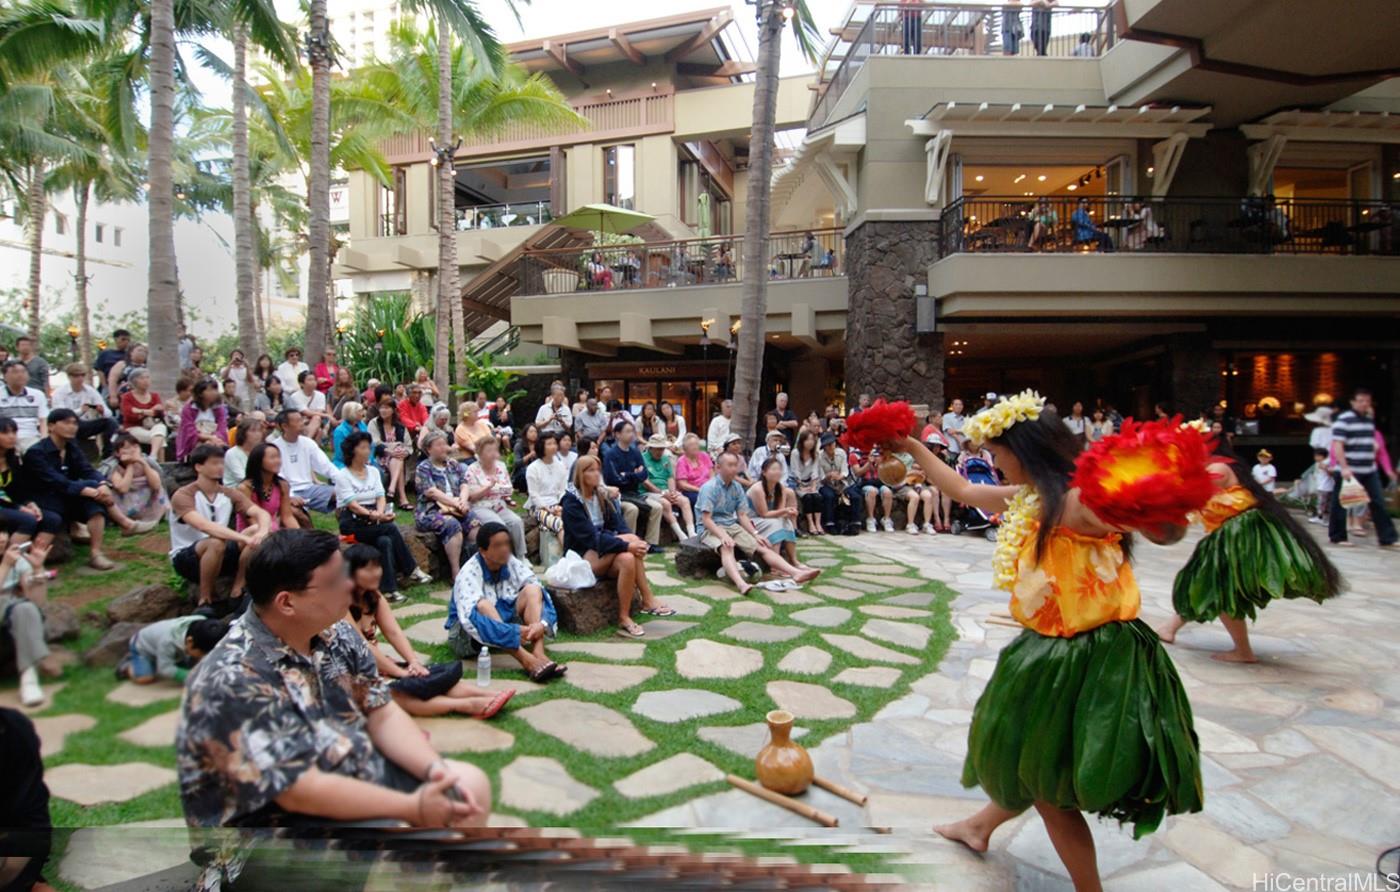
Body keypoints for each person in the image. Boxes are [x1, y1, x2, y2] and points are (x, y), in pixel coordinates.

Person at [897, 393, 1200, 888]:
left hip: (1093, 656)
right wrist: (911, 446)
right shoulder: (1031, 496)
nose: (995, 464)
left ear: (1025, 450)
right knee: (1032, 756)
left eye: (998, 454)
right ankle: (979, 827)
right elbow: (961, 488)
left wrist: (1160, 495)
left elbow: (1165, 533)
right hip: (1052, 648)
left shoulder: (1079, 501)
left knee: (1047, 787)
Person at [177, 528, 493, 832]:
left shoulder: (337, 631)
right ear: (287, 602)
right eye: (334, 580)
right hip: (266, 823)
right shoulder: (232, 677)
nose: (349, 585)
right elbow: (298, 790)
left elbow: (381, 712)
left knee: (467, 785)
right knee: (392, 836)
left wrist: (434, 771)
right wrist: (413, 806)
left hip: (349, 769)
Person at [1157, 440, 1344, 663]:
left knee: (1221, 588)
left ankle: (1243, 651)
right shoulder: (1222, 466)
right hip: (1232, 531)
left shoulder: (1217, 469)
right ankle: (1169, 628)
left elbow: (1194, 497)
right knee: (1201, 581)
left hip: (1239, 534)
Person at [345, 545, 512, 718]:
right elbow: (363, 646)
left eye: (377, 567)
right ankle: (469, 705)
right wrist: (398, 672)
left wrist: (413, 662)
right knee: (396, 694)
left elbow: (393, 632)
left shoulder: (374, 597)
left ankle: (488, 695)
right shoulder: (340, 604)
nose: (376, 573)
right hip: (350, 673)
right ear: (350, 572)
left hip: (375, 666)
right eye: (368, 569)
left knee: (429, 677)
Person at [560, 457, 674, 638]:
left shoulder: (601, 496)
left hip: (605, 551)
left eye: (598, 470)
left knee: (628, 558)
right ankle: (647, 598)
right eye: (590, 470)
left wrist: (632, 543)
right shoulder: (571, 502)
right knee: (630, 544)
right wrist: (627, 544)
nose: (596, 474)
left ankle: (624, 616)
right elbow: (591, 539)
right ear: (580, 474)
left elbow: (619, 525)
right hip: (582, 558)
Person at [447, 522, 563, 680]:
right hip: (468, 635)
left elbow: (537, 587)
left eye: (507, 543)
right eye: (497, 545)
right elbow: (471, 619)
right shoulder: (468, 573)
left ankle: (539, 652)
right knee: (483, 605)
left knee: (533, 590)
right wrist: (511, 631)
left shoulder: (511, 561)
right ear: (483, 551)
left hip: (503, 620)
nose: (505, 549)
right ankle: (526, 660)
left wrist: (540, 625)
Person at [27, 409, 136, 569]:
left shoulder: (71, 447)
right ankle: (125, 523)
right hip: (44, 500)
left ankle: (96, 553)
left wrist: (102, 484)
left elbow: (87, 469)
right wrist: (87, 490)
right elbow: (56, 481)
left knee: (95, 504)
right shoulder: (36, 453)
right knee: (91, 489)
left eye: (75, 423)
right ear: (51, 426)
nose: (72, 427)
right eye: (66, 422)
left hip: (67, 495)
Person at [699, 452, 820, 596]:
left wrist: (755, 534)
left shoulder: (737, 487)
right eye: (729, 465)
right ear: (718, 467)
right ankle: (741, 584)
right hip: (709, 528)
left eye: (735, 465)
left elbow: (742, 515)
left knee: (762, 546)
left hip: (732, 525)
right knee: (727, 547)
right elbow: (706, 519)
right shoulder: (710, 487)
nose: (733, 469)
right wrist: (723, 536)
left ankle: (796, 573)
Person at [170, 444, 272, 606]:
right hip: (188, 556)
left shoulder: (228, 493)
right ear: (198, 467)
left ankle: (238, 589)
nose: (220, 467)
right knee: (215, 543)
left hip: (222, 549)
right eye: (214, 463)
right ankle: (205, 598)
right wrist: (242, 538)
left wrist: (262, 531)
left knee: (254, 530)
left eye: (221, 463)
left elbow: (261, 513)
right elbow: (204, 526)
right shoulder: (184, 495)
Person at [336, 431, 432, 593]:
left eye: (368, 447)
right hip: (352, 523)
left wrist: (380, 514)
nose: (368, 451)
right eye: (363, 448)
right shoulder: (343, 475)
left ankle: (389, 590)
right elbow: (353, 505)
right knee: (390, 528)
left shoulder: (373, 471)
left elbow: (381, 497)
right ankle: (411, 569)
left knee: (384, 541)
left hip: (373, 519)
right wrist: (373, 515)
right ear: (352, 451)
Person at [1328, 388, 1397, 548]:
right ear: (1353, 402)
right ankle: (1338, 536)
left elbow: (1375, 445)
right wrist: (1344, 467)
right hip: (1349, 468)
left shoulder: (1368, 420)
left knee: (1378, 502)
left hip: (1369, 469)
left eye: (1367, 401)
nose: (1364, 404)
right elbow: (1337, 445)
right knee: (1341, 503)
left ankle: (1387, 538)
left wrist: (1387, 469)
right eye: (1361, 401)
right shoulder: (1343, 419)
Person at [0, 534, 59, 706]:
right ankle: (42, 659)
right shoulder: (9, 561)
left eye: (3, 531)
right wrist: (5, 565)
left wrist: (38, 569)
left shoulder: (17, 560)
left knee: (25, 608)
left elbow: (36, 604)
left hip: (9, 629)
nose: (2, 538)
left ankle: (29, 679)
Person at [414, 432, 475, 582]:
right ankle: (456, 572)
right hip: (431, 511)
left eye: (445, 444)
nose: (444, 448)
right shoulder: (423, 467)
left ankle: (473, 566)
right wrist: (455, 503)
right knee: (451, 524)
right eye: (439, 445)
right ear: (429, 449)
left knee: (474, 522)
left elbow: (464, 484)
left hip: (456, 507)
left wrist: (463, 501)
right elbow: (431, 492)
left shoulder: (453, 464)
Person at [0, 418, 57, 559]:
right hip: (4, 506)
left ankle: (33, 560)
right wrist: (18, 508)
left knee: (52, 519)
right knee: (28, 520)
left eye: (14, 432)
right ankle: (6, 561)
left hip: (10, 505)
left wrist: (29, 503)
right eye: (5, 432)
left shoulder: (14, 459)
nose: (11, 436)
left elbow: (19, 490)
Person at [465, 437, 526, 558]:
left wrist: (496, 490)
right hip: (480, 506)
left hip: (498, 505)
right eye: (489, 450)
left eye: (495, 450)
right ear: (480, 453)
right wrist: (489, 487)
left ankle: (521, 556)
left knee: (516, 521)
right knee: (499, 525)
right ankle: (505, 557)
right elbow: (472, 496)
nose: (493, 454)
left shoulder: (501, 466)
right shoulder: (472, 469)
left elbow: (509, 490)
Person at [118, 616, 226, 684]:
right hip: (142, 646)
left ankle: (163, 660)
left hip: (175, 651)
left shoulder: (202, 625)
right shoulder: (168, 641)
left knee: (190, 666)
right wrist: (192, 677)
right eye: (202, 653)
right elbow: (165, 669)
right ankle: (127, 666)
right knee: (146, 678)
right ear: (190, 642)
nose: (204, 656)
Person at [604, 420, 661, 547]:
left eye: (632, 431)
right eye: (628, 431)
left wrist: (627, 475)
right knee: (632, 509)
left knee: (657, 507)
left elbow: (644, 475)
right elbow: (614, 479)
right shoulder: (610, 454)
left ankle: (651, 543)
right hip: (618, 496)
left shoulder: (635, 452)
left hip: (635, 493)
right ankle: (630, 543)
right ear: (618, 434)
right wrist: (634, 475)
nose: (631, 434)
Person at [273, 409, 337, 514]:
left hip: (309, 488)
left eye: (302, 419)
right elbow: (277, 477)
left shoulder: (308, 443)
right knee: (298, 515)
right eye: (298, 421)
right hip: (286, 492)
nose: (303, 423)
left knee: (344, 495)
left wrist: (344, 482)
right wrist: (290, 496)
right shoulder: (274, 447)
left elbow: (326, 466)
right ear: (285, 426)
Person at [99, 432, 169, 526]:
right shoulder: (114, 466)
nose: (133, 450)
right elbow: (123, 488)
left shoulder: (147, 461)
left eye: (135, 446)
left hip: (147, 500)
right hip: (125, 502)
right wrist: (130, 465)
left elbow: (156, 485)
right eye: (127, 448)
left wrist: (143, 463)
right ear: (117, 453)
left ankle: (152, 516)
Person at [52, 362, 118, 455]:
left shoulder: (90, 391)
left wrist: (102, 411)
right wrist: (80, 411)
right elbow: (60, 415)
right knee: (68, 424)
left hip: (85, 424)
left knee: (111, 422)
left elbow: (108, 413)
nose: (80, 378)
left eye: (82, 375)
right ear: (69, 377)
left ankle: (108, 453)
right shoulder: (60, 392)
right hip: (67, 425)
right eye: (76, 376)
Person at [642, 433, 697, 541]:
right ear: (651, 448)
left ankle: (691, 533)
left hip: (666, 490)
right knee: (665, 503)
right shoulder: (642, 458)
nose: (660, 452)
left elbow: (670, 477)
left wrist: (672, 492)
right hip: (649, 492)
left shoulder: (665, 458)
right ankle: (681, 535)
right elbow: (645, 482)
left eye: (662, 449)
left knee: (685, 501)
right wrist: (662, 493)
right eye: (657, 449)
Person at [237, 442, 301, 533]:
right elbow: (252, 521)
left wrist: (300, 534)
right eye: (272, 457)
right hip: (252, 533)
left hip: (273, 531)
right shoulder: (245, 488)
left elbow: (287, 517)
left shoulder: (282, 485)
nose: (278, 461)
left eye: (278, 457)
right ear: (259, 461)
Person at [748, 457, 802, 565]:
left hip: (767, 518)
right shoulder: (757, 489)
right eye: (773, 469)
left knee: (786, 522)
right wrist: (785, 510)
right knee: (775, 524)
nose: (777, 472)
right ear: (764, 472)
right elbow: (764, 514)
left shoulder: (780, 488)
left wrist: (789, 512)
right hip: (751, 520)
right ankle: (776, 565)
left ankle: (793, 560)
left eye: (779, 469)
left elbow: (779, 511)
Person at [525, 431, 568, 553]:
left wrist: (560, 506)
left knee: (570, 520)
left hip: (557, 504)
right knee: (559, 524)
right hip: (537, 507)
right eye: (549, 444)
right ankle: (568, 554)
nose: (553, 446)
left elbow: (562, 489)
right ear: (541, 446)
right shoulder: (533, 468)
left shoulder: (560, 466)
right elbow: (533, 494)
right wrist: (546, 507)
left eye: (554, 443)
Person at [370, 398, 413, 509]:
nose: (383, 410)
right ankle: (402, 498)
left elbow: (408, 446)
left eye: (387, 408)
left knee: (398, 455)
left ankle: (392, 489)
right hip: (380, 457)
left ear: (393, 410)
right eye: (381, 408)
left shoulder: (400, 427)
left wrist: (404, 452)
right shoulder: (374, 423)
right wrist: (390, 450)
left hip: (396, 458)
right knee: (397, 454)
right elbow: (374, 442)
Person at [818, 432, 862, 535]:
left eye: (832, 444)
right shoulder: (819, 456)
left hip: (842, 483)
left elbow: (845, 471)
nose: (830, 447)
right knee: (829, 496)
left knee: (855, 496)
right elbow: (821, 477)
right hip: (826, 484)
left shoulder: (841, 453)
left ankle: (855, 523)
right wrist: (829, 476)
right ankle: (830, 523)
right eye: (827, 445)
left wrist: (839, 477)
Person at [118, 368, 168, 459]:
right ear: (134, 381)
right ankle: (158, 462)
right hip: (133, 427)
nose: (146, 380)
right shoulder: (127, 397)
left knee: (161, 427)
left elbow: (159, 412)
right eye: (142, 378)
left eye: (147, 377)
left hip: (152, 426)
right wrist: (149, 411)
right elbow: (129, 415)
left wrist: (140, 411)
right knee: (160, 439)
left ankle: (153, 456)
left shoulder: (154, 396)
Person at [176, 379, 229, 463]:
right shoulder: (189, 409)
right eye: (210, 390)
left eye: (215, 389)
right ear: (200, 393)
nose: (214, 393)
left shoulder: (219, 409)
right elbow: (189, 431)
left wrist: (214, 438)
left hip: (215, 439)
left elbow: (222, 428)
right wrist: (208, 438)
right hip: (197, 440)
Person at [0, 360, 48, 452]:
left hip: (31, 437)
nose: (20, 375)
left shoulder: (38, 395)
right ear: (5, 376)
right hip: (5, 437)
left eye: (23, 371)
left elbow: (43, 421)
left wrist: (44, 441)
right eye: (15, 372)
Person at [852, 445, 895, 532]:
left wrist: (880, 464)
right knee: (872, 491)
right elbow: (858, 473)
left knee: (888, 492)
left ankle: (886, 519)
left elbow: (886, 473)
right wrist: (869, 463)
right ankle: (870, 519)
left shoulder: (880, 453)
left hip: (880, 482)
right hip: (864, 483)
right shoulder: (855, 455)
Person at [789, 430, 824, 536]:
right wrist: (801, 486)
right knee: (807, 497)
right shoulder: (795, 453)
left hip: (811, 482)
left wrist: (813, 486)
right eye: (807, 440)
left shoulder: (815, 454)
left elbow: (815, 471)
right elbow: (795, 471)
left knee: (817, 497)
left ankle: (818, 523)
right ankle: (810, 523)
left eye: (812, 440)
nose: (810, 442)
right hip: (798, 483)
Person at [287, 370, 332, 443]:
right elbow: (306, 412)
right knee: (318, 430)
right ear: (301, 383)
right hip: (300, 421)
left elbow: (319, 411)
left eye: (314, 380)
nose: (313, 382)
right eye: (310, 380)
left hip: (315, 420)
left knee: (317, 418)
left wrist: (314, 414)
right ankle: (309, 443)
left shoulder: (320, 395)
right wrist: (326, 415)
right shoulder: (295, 396)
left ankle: (307, 441)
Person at [675, 433, 714, 512]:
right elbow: (682, 484)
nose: (695, 447)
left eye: (696, 444)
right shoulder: (682, 461)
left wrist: (711, 486)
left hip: (708, 488)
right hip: (691, 491)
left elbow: (712, 473)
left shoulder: (704, 456)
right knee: (702, 498)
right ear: (685, 448)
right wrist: (700, 490)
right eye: (691, 445)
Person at [223, 417, 265, 487]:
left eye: (259, 431)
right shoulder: (232, 453)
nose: (258, 434)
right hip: (236, 489)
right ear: (243, 433)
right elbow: (241, 477)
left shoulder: (262, 451)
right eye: (253, 430)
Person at [106, 342, 148, 409]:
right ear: (131, 352)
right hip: (125, 398)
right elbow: (112, 380)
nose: (143, 353)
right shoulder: (122, 364)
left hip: (144, 399)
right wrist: (113, 396)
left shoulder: (148, 367)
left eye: (145, 351)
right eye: (139, 350)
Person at [331, 401, 369, 469]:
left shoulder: (362, 425)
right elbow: (340, 454)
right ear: (352, 413)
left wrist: (368, 459)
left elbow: (370, 444)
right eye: (360, 411)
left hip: (364, 461)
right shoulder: (339, 431)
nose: (363, 414)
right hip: (345, 463)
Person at [512, 422, 541, 491]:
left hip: (537, 471)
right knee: (526, 472)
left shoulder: (539, 446)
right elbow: (516, 463)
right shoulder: (519, 445)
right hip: (522, 472)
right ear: (525, 433)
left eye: (535, 432)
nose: (533, 434)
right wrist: (529, 455)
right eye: (531, 432)